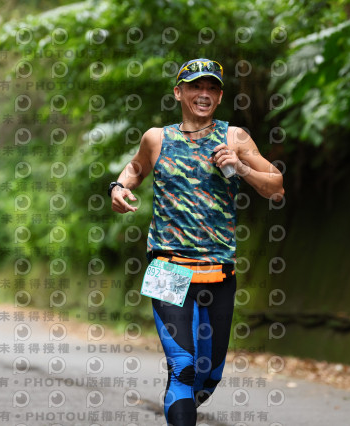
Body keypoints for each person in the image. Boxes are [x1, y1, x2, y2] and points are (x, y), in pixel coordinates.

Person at [109, 58, 284, 425]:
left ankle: (187, 400)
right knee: (183, 368)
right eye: (195, 86)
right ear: (179, 92)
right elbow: (136, 168)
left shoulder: (234, 138)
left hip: (218, 271)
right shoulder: (157, 138)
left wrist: (241, 166)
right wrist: (119, 187)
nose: (204, 93)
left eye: (211, 88)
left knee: (207, 377)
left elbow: (276, 187)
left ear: (219, 97)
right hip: (168, 268)